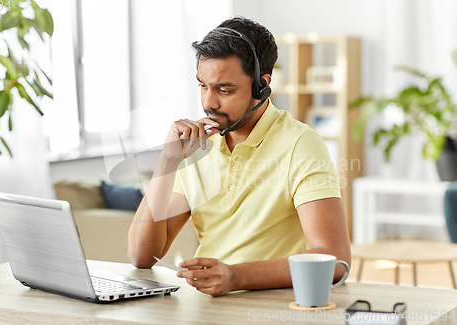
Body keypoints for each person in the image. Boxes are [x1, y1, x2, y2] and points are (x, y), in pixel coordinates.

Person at [128, 17, 351, 297]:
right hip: (207, 308)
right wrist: (168, 161)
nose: (209, 102)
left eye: (224, 89)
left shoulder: (301, 145)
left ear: (262, 85)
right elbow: (141, 256)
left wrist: (235, 276)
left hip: (271, 308)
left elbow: (335, 261)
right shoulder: (194, 147)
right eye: (202, 86)